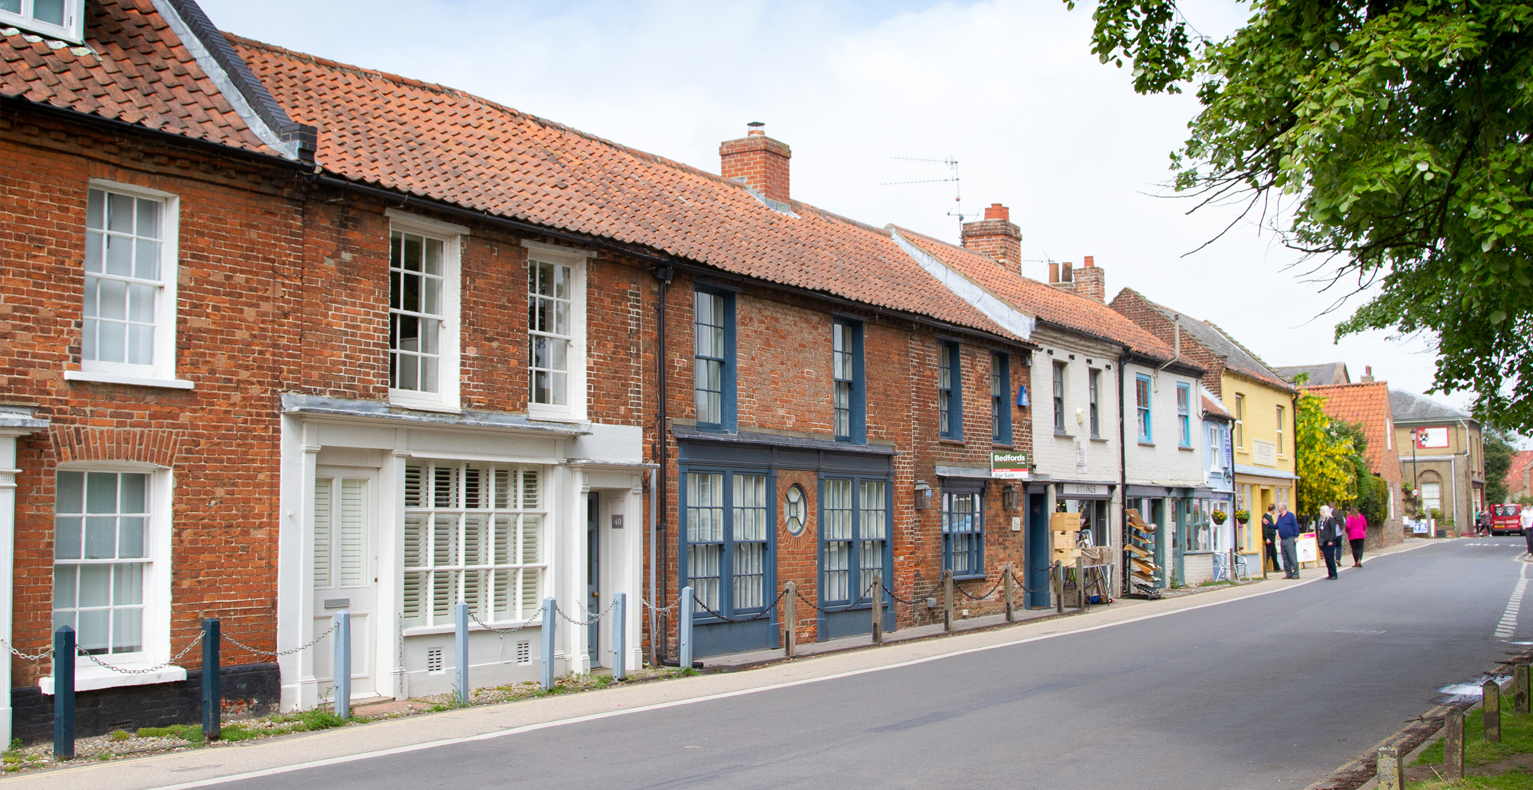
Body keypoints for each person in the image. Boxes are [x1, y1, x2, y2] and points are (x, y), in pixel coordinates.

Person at [1316, 504, 1342, 580]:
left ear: (1324, 511)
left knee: (1330, 558)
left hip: (1329, 541)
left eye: (1321, 510)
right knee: (1326, 558)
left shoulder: (1331, 519)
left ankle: (1334, 573)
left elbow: (1332, 531)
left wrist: (1331, 540)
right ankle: (1330, 573)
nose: (1320, 512)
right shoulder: (1323, 520)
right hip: (1324, 541)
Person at [1276, 503, 1301, 579]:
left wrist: (1296, 536)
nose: (1277, 508)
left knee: (1292, 557)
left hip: (1290, 538)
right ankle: (1288, 573)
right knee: (1285, 558)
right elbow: (1276, 526)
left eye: (1278, 507)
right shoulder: (1280, 517)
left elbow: (1295, 526)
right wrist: (1269, 524)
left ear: (1283, 507)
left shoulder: (1290, 515)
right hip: (1282, 540)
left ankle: (1296, 573)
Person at [1262, 504, 1280, 574]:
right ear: (1274, 510)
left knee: (1273, 552)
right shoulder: (1266, 517)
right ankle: (1264, 568)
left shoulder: (1269, 516)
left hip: (1272, 535)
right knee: (1268, 552)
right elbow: (1265, 528)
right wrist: (1266, 538)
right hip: (1269, 536)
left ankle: (1276, 567)